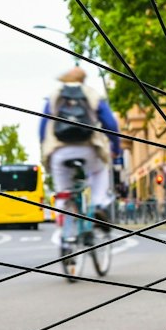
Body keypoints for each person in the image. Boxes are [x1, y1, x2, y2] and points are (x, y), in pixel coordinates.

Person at [39, 66, 123, 224]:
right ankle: (99, 204)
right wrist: (115, 149)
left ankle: (63, 228)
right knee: (99, 171)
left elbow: (43, 127)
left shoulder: (54, 96)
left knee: (63, 190)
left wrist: (45, 150)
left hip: (59, 151)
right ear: (83, 79)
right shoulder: (92, 94)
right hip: (88, 148)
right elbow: (111, 125)